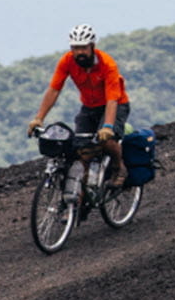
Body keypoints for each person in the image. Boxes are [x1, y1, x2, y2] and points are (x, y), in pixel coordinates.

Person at [28, 24, 131, 186]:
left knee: (107, 140)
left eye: (83, 48)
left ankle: (119, 167)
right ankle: (80, 197)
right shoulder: (67, 61)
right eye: (76, 48)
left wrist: (108, 126)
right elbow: (54, 90)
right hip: (89, 107)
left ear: (92, 46)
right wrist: (38, 118)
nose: (80, 52)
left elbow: (112, 99)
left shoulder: (107, 64)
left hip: (115, 105)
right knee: (80, 148)